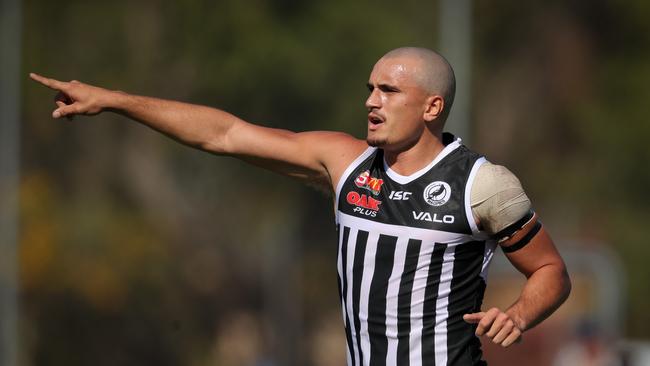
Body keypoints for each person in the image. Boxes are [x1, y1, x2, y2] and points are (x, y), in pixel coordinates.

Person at [30, 47, 571, 366]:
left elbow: (550, 270)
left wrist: (520, 313)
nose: (370, 101)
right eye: (369, 88)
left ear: (432, 106)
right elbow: (224, 134)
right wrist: (116, 100)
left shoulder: (482, 185)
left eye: (388, 91)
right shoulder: (345, 164)